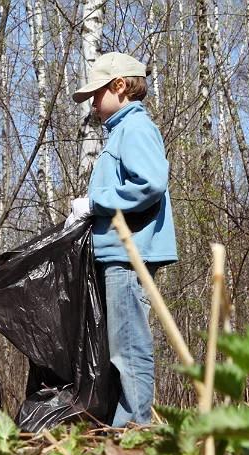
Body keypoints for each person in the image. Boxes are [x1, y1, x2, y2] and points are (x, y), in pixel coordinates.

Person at [68, 52, 176, 427]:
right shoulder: (122, 130)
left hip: (131, 255)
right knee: (121, 343)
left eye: (96, 95)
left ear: (119, 87)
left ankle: (133, 430)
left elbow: (150, 183)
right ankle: (126, 423)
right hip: (118, 253)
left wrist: (94, 203)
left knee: (129, 345)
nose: (94, 105)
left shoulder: (135, 129)